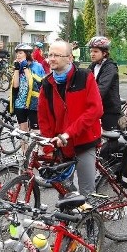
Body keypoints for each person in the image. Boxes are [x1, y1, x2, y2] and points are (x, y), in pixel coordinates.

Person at [37, 40, 103, 197]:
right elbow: (44, 118)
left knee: (87, 192)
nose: (51, 59)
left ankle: (90, 221)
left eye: (57, 55)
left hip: (84, 141)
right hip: (62, 146)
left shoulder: (85, 77)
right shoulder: (47, 83)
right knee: (64, 192)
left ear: (69, 58)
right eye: (50, 55)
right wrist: (48, 147)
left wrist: (69, 133)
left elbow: (95, 110)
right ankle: (69, 221)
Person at [87, 36, 121, 131]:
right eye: (91, 51)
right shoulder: (93, 66)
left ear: (104, 53)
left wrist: (87, 100)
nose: (92, 54)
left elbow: (101, 88)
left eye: (95, 51)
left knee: (110, 139)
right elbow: (83, 81)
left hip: (109, 109)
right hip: (98, 108)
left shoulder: (110, 68)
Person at [10, 43, 45, 132]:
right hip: (20, 102)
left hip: (33, 103)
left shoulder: (37, 66)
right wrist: (17, 70)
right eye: (17, 53)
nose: (18, 55)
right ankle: (24, 147)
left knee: (36, 131)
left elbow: (37, 83)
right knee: (22, 132)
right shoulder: (18, 66)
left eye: (20, 53)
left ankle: (38, 147)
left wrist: (26, 68)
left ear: (27, 54)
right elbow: (15, 86)